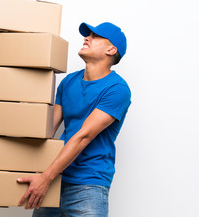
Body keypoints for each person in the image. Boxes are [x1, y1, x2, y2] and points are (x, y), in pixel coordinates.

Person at [17, 22, 132, 217]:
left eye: (95, 36)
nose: (87, 38)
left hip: (88, 185)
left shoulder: (117, 89)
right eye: (87, 35)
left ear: (111, 50)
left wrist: (46, 177)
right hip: (55, 179)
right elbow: (47, 131)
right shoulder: (68, 82)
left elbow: (83, 136)